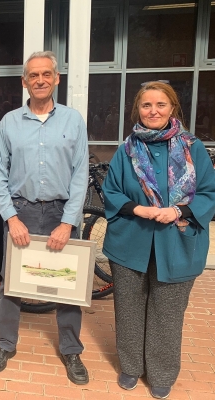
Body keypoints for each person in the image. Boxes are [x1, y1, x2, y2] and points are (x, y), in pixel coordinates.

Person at [102, 81, 215, 399]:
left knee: (167, 313)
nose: (153, 111)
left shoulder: (193, 148)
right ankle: (130, 366)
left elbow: (210, 192)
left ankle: (162, 372)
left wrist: (181, 210)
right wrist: (139, 208)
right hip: (129, 242)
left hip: (178, 243)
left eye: (160, 105)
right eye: (146, 105)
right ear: (137, 110)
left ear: (173, 109)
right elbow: (111, 190)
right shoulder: (126, 150)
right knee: (128, 308)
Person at [0, 51, 90, 385]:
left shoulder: (73, 120)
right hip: (22, 210)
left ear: (57, 78)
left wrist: (68, 221)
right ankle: (5, 344)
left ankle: (71, 349)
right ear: (24, 81)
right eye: (34, 75)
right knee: (13, 283)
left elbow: (80, 173)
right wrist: (12, 218)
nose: (41, 80)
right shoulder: (9, 123)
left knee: (66, 285)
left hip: (61, 211)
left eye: (47, 74)